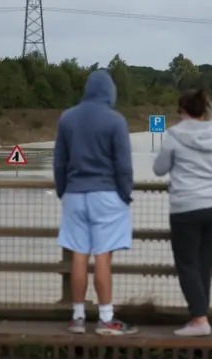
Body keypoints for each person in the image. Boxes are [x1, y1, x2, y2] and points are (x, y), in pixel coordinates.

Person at [54, 69, 137, 336]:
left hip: (74, 195)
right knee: (102, 256)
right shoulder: (116, 121)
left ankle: (77, 317)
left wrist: (63, 192)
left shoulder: (67, 119)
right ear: (110, 92)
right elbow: (123, 166)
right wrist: (125, 194)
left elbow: (59, 163)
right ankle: (105, 319)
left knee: (79, 254)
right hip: (107, 195)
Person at [152, 89, 212, 337]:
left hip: (186, 206)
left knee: (187, 264)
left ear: (182, 110)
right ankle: (200, 316)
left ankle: (199, 318)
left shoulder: (174, 135)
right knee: (204, 265)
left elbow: (159, 169)